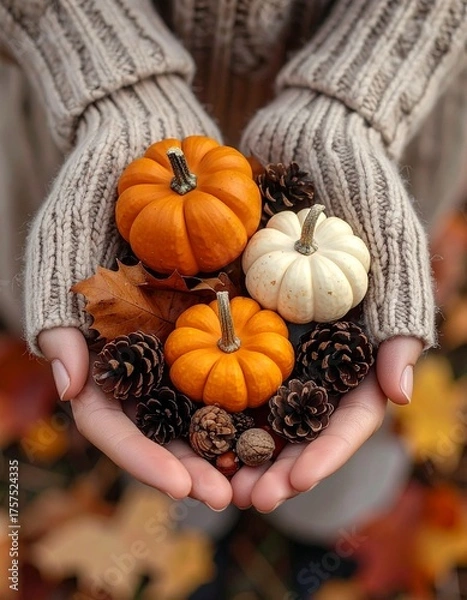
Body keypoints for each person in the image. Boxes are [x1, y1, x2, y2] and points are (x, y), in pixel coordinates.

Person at [0, 0, 466, 518]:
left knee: (347, 446)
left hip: (379, 112)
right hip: (79, 102)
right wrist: (114, 84)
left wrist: (353, 99)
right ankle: (188, 498)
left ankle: (332, 507)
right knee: (164, 463)